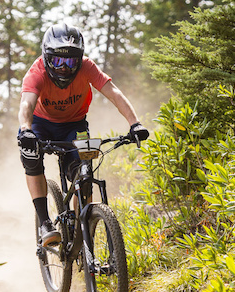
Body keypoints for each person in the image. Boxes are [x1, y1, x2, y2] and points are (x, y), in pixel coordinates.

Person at [17, 23, 149, 246]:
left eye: (70, 62)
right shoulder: (36, 72)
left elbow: (114, 94)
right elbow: (26, 105)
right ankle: (45, 222)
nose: (64, 68)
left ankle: (81, 229)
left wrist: (135, 123)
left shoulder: (87, 67)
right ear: (47, 58)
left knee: (84, 172)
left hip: (74, 125)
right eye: (58, 61)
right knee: (30, 157)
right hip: (40, 124)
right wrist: (26, 130)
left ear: (79, 60)